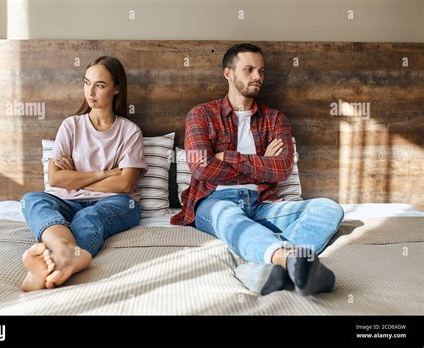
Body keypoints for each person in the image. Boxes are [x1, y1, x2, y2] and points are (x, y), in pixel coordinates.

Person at [171, 43, 344, 296]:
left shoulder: (275, 119)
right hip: (214, 200)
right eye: (249, 69)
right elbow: (201, 168)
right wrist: (261, 162)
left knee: (329, 208)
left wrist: (229, 157)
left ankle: (272, 267)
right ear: (228, 73)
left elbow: (283, 168)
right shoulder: (201, 114)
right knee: (229, 218)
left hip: (263, 203)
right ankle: (288, 259)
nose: (257, 77)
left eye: (261, 71)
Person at [20, 56, 147, 292]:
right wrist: (106, 173)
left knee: (88, 216)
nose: (91, 91)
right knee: (32, 199)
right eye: (87, 83)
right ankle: (64, 253)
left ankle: (57, 262)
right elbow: (56, 179)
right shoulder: (70, 126)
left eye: (100, 85)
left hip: (117, 203)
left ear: (117, 89)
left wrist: (75, 176)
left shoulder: (130, 132)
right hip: (66, 199)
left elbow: (124, 184)